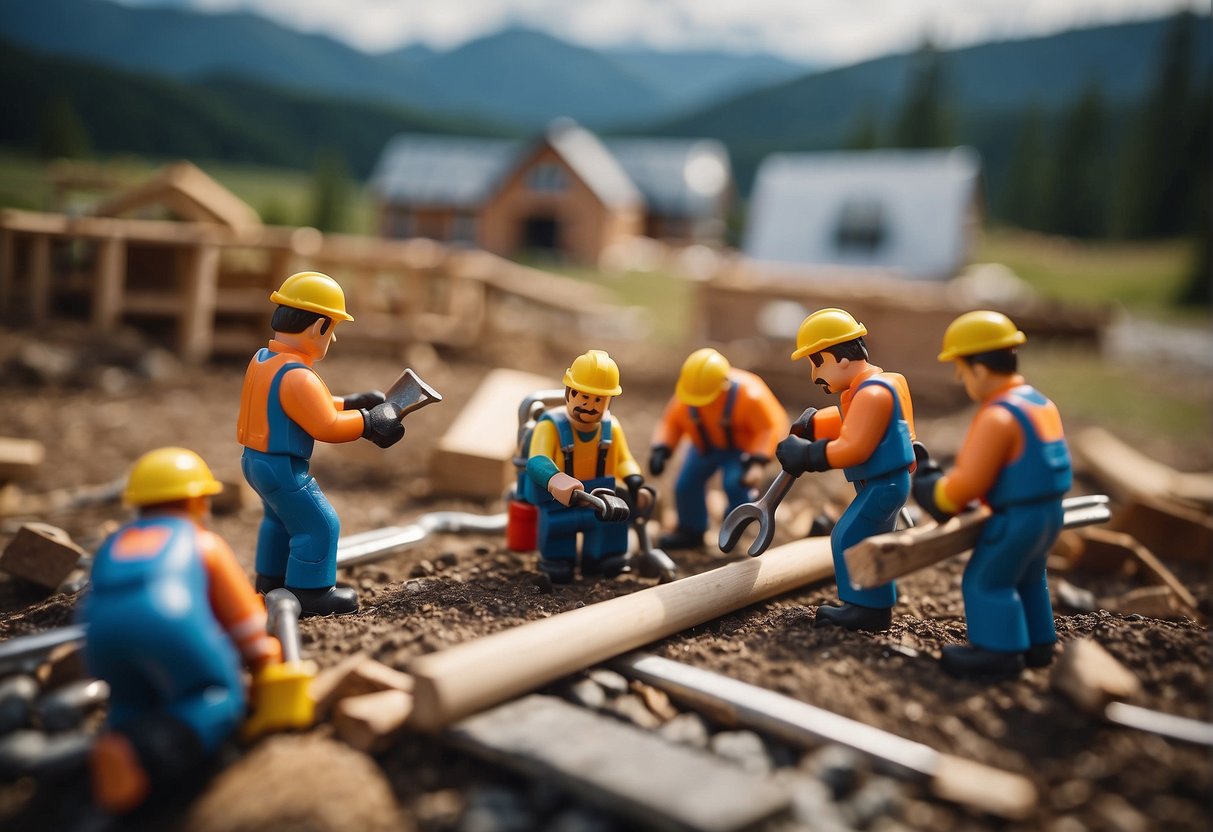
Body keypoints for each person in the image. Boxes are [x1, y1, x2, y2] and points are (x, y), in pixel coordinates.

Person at [81, 447, 283, 814]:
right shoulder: (202, 542)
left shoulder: (114, 544)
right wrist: (263, 655)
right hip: (167, 624)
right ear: (195, 501)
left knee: (131, 700)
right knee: (214, 694)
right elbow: (245, 619)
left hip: (100, 636)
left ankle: (115, 746)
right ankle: (142, 754)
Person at [913, 310, 1072, 679]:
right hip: (1049, 512)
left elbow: (970, 481)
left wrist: (935, 494)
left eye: (961, 370)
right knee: (1030, 577)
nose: (960, 378)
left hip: (1014, 517)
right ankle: (1038, 643)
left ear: (980, 370)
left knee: (986, 580)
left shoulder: (997, 416)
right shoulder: (1041, 404)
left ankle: (998, 652)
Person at [237, 271, 404, 616]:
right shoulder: (298, 375)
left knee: (279, 520)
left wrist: (352, 402)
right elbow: (325, 425)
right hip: (284, 467)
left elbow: (307, 406)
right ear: (321, 327)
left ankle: (270, 580)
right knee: (319, 524)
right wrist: (370, 422)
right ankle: (310, 591)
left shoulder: (264, 361)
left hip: (256, 460)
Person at [775, 308, 916, 631]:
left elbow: (854, 446)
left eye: (816, 362)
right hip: (882, 481)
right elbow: (857, 423)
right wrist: (816, 426)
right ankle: (873, 604)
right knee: (866, 539)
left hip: (883, 484)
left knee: (849, 537)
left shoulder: (873, 394)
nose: (814, 376)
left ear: (839, 358)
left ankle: (866, 609)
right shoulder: (878, 385)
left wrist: (809, 455)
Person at [524, 349, 644, 583]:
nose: (589, 405)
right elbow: (536, 460)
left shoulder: (612, 428)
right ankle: (558, 561)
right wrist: (555, 478)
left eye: (598, 399)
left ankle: (603, 558)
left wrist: (633, 477)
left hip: (602, 497)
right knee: (559, 528)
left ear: (609, 400)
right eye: (583, 396)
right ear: (569, 393)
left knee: (612, 523)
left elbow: (623, 458)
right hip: (561, 496)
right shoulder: (549, 426)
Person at [649, 348, 786, 550]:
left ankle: (736, 526)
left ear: (724, 385)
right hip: (704, 447)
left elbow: (769, 427)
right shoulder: (687, 396)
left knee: (735, 483)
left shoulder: (751, 395)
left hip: (741, 450)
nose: (698, 402)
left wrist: (758, 460)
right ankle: (691, 529)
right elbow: (672, 423)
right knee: (685, 484)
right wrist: (662, 448)